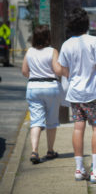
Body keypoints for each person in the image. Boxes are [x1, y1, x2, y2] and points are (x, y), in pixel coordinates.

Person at [57, 8, 96, 182]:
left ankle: (79, 169)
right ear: (86, 24)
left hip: (75, 93)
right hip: (94, 92)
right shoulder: (94, 41)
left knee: (78, 127)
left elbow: (63, 70)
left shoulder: (66, 44)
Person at [22, 25, 62, 164]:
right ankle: (50, 150)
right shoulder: (52, 51)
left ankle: (34, 151)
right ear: (47, 37)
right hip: (51, 87)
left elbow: (24, 71)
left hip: (34, 87)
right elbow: (57, 70)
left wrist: (34, 76)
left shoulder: (30, 52)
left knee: (36, 121)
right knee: (51, 120)